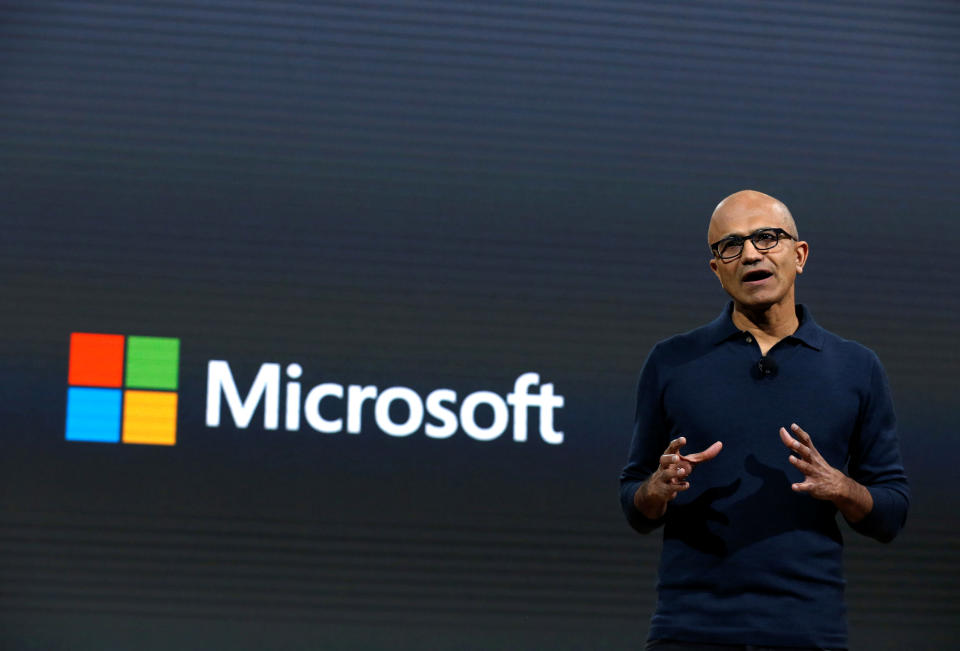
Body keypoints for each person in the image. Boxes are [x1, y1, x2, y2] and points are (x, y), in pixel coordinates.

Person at [619, 190, 909, 651]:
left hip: (807, 632)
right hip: (690, 631)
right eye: (730, 245)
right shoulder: (672, 362)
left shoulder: (857, 367)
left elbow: (891, 512)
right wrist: (656, 490)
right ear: (717, 270)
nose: (750, 253)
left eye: (767, 238)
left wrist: (840, 486)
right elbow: (634, 504)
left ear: (800, 255)